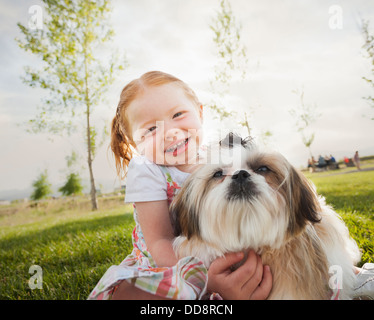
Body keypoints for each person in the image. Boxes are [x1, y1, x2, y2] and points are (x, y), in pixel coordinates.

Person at [88, 71, 272, 300]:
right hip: (171, 265)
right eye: (151, 130)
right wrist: (204, 282)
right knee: (136, 295)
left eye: (178, 114)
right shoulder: (147, 170)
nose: (170, 132)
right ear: (134, 144)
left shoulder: (218, 158)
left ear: (200, 112)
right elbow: (161, 241)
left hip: (222, 252)